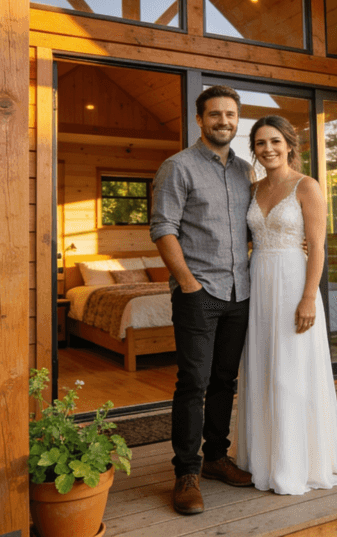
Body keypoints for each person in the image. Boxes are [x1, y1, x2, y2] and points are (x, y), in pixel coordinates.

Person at [236, 115, 337, 495]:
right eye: (260, 143)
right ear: (255, 150)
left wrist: (310, 296)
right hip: (258, 282)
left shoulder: (307, 186)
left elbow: (317, 247)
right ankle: (262, 459)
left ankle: (297, 463)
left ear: (289, 144)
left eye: (275, 141)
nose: (268, 149)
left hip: (294, 284)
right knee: (262, 367)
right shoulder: (253, 189)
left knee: (289, 371)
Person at [149, 85, 255, 515]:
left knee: (225, 381)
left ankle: (215, 458)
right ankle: (186, 473)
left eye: (230, 115)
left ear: (237, 119)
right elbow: (163, 227)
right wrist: (188, 284)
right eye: (215, 115)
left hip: (240, 293)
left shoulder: (246, 171)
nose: (223, 121)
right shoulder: (178, 167)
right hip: (200, 292)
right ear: (200, 119)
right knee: (193, 383)